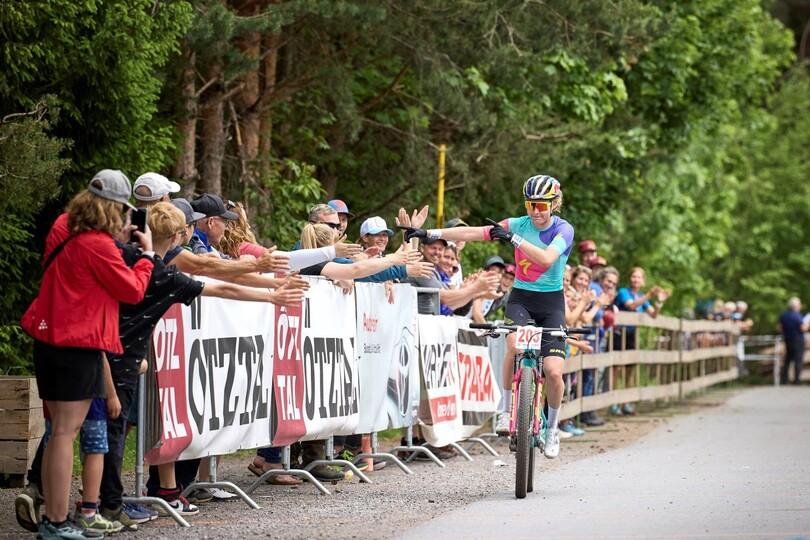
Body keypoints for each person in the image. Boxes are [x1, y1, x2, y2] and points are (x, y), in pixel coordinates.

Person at [133, 202, 305, 509]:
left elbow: (221, 285)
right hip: (114, 351)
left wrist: (272, 291)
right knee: (115, 425)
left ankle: (143, 495)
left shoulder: (145, 262)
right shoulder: (160, 269)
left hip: (115, 350)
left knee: (125, 424)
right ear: (178, 235)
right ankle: (111, 500)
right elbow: (214, 276)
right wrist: (267, 284)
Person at [20, 170, 155, 539]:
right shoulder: (97, 245)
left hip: (49, 339)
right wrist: (147, 256)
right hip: (76, 343)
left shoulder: (64, 228)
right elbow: (131, 291)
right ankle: (58, 522)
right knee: (65, 433)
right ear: (113, 208)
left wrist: (116, 241)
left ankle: (53, 516)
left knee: (57, 433)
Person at [400, 174, 574, 459]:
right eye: (531, 204)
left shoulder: (563, 229)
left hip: (551, 303)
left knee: (554, 372)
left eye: (542, 206)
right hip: (522, 299)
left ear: (554, 204)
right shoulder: (518, 224)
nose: (536, 211)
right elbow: (473, 233)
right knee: (514, 345)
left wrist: (514, 239)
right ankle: (506, 412)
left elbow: (545, 259)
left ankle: (552, 428)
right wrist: (430, 234)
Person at [778, 297, 808, 385]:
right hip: (798, 340)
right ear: (797, 306)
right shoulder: (797, 316)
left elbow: (780, 328)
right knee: (798, 359)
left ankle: (784, 380)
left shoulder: (783, 315)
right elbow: (802, 328)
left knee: (787, 359)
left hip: (787, 339)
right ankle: (797, 380)